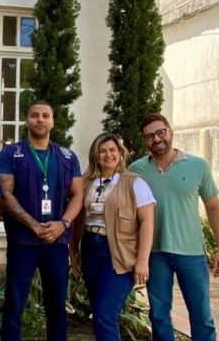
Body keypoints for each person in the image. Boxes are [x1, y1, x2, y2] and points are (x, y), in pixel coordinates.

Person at [128, 113, 219, 341]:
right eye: (150, 136)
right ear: (145, 141)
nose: (157, 139)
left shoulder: (198, 166)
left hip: (191, 253)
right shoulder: (136, 170)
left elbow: (213, 207)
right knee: (160, 316)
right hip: (155, 253)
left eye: (160, 132)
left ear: (170, 132)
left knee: (201, 316)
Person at [0, 100, 84, 341]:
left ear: (53, 121)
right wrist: (34, 225)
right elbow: (5, 195)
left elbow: (78, 195)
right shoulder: (11, 153)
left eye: (46, 115)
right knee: (15, 302)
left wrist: (63, 224)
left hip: (56, 243)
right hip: (23, 242)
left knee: (57, 304)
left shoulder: (67, 156)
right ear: (27, 120)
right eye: (35, 115)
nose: (40, 119)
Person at [71, 132, 155, 341]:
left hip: (119, 253)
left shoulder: (134, 182)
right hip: (91, 249)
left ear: (120, 153)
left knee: (105, 314)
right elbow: (77, 220)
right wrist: (73, 253)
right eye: (102, 151)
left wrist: (142, 261)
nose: (108, 155)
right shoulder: (87, 182)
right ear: (95, 155)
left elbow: (147, 222)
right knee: (99, 312)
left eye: (112, 150)